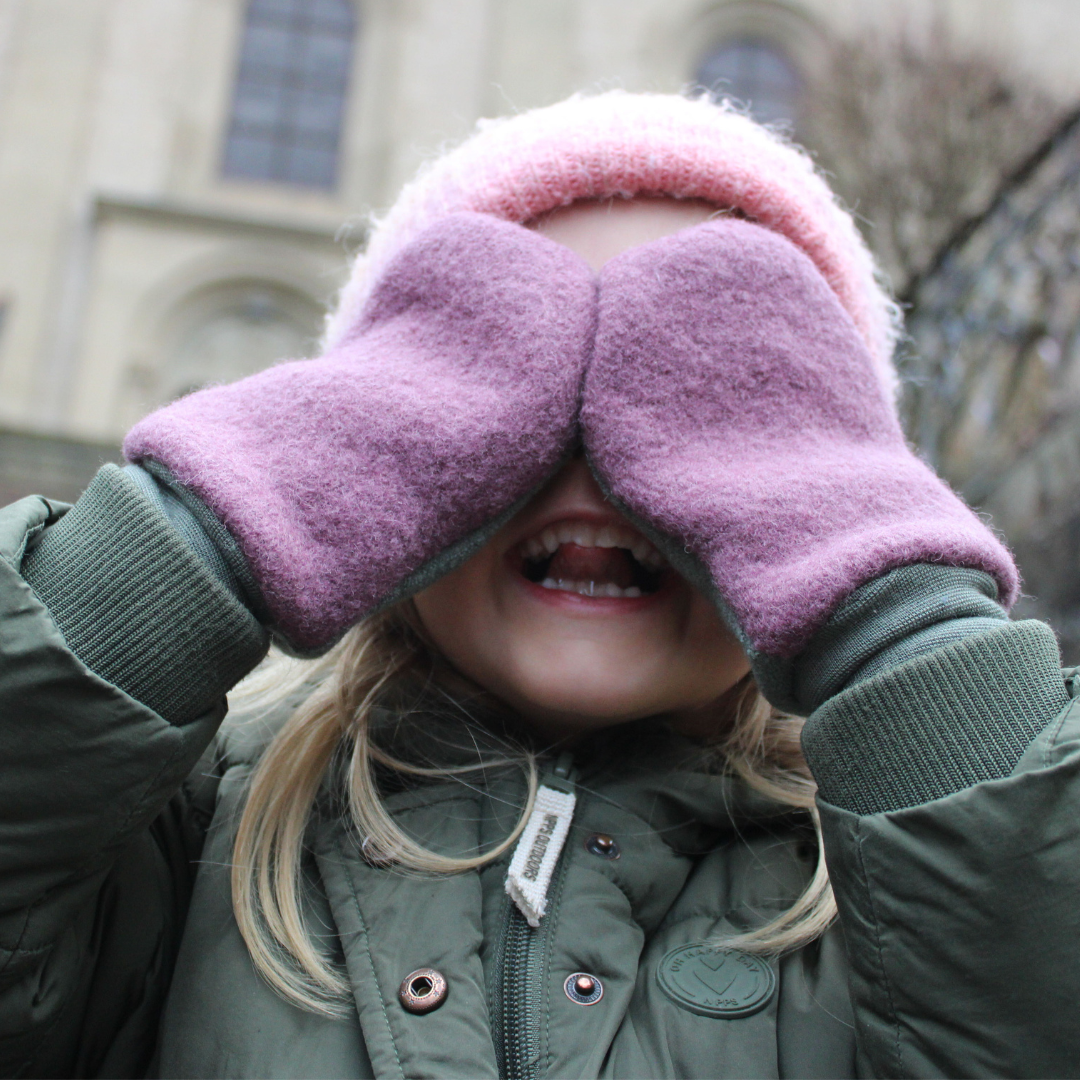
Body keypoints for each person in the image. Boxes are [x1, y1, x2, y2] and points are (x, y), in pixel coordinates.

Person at [2, 91, 1078, 1080]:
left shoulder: (894, 915)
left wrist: (891, 619)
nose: (612, 460)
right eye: (503, 369)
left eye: (716, 392)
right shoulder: (182, 841)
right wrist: (223, 518)